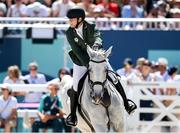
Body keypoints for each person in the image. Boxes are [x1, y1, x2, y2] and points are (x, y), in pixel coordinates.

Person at [65, 8, 137, 126]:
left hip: (98, 58)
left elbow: (98, 36)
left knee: (114, 77)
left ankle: (126, 103)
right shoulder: (69, 32)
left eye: (72, 20)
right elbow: (77, 51)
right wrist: (89, 65)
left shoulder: (91, 26)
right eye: (69, 20)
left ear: (80, 19)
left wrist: (97, 44)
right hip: (80, 61)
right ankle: (73, 115)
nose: (70, 22)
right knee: (76, 85)